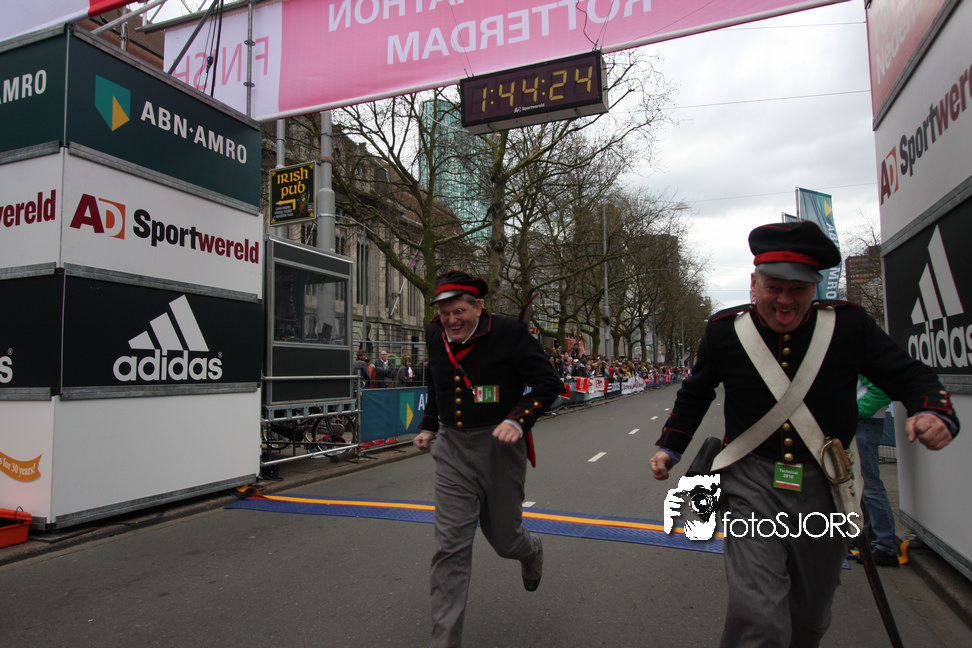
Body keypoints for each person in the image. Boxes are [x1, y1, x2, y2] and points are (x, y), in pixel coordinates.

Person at [649, 220, 958, 648]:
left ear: (815, 287)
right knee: (758, 615)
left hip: (825, 487)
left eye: (798, 289)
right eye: (774, 287)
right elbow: (696, 393)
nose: (784, 300)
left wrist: (933, 411)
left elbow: (909, 375)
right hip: (751, 485)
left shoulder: (848, 326)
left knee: (810, 618)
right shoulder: (724, 330)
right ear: (754, 283)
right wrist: (670, 447)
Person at [413, 270, 563, 648]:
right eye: (445, 313)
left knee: (505, 541)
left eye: (459, 311)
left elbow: (549, 384)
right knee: (450, 548)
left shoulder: (510, 332)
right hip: (451, 449)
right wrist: (429, 425)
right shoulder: (434, 334)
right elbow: (437, 381)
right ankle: (444, 641)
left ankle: (531, 551)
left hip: (499, 446)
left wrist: (518, 419)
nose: (451, 320)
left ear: (478, 307)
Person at [856, 375, 899, 566]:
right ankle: (869, 539)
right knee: (863, 484)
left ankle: (885, 546)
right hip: (863, 420)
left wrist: (852, 411)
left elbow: (881, 393)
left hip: (865, 422)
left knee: (870, 485)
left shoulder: (863, 359)